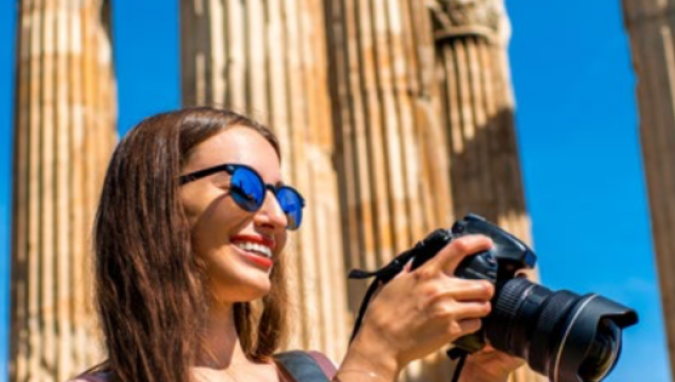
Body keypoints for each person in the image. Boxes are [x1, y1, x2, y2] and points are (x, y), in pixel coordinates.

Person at [77, 107, 528, 382]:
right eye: (245, 187)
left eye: (284, 198)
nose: (275, 217)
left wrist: (480, 376)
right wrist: (375, 358)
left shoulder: (311, 372)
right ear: (157, 202)